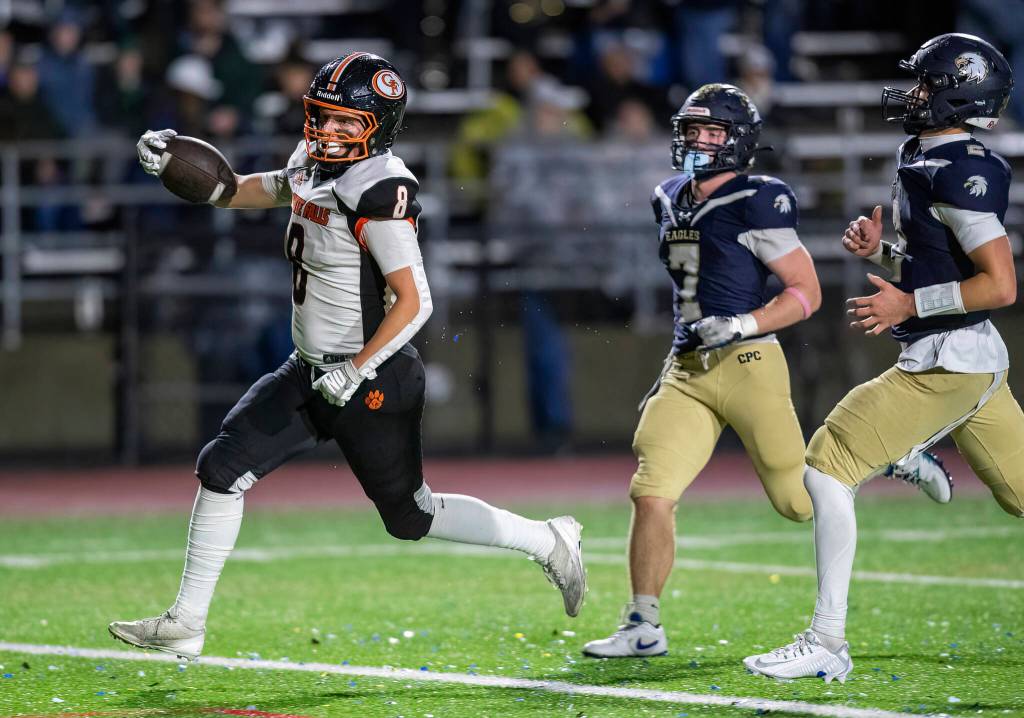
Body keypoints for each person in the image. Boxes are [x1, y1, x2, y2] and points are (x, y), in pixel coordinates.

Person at [107, 53, 586, 661]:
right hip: (310, 367)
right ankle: (187, 622)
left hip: (371, 376)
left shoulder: (378, 187)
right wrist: (182, 168)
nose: (328, 133)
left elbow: (417, 302)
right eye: (322, 119)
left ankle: (548, 540)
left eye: (345, 123)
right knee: (221, 467)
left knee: (410, 516)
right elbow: (249, 190)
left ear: (378, 127)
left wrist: (356, 369)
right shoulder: (312, 161)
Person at [581, 84, 952, 659]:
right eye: (693, 130)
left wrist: (742, 325)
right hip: (688, 366)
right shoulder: (668, 194)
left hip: (750, 362)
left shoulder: (760, 197)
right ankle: (643, 623)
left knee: (797, 502)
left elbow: (806, 292)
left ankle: (890, 457)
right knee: (651, 490)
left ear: (739, 142)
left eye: (713, 133)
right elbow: (688, 291)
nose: (699, 142)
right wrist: (679, 353)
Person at [744, 33, 1023, 683]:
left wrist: (909, 305)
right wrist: (881, 258)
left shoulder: (961, 170)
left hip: (947, 361)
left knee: (827, 464)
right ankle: (906, 449)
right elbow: (934, 268)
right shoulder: (924, 155)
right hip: (970, 360)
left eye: (927, 84)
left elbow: (1001, 284)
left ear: (959, 94)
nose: (913, 93)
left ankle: (826, 640)